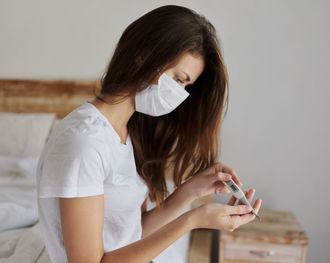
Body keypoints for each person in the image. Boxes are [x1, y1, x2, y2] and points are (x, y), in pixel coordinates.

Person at [36, 5, 262, 263]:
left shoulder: (125, 132)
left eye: (186, 86)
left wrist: (190, 191)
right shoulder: (83, 143)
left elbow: (130, 233)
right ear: (144, 57)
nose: (180, 94)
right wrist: (193, 220)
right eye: (179, 79)